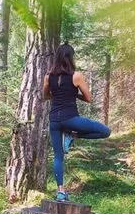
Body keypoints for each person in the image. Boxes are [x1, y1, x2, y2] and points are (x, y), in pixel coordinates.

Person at [43, 43, 111, 202]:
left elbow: (46, 96)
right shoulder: (76, 76)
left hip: (54, 121)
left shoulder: (48, 76)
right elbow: (88, 98)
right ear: (71, 58)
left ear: (57, 57)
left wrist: (57, 93)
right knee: (105, 131)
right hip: (71, 119)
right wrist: (75, 95)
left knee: (58, 156)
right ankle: (73, 135)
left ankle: (60, 192)